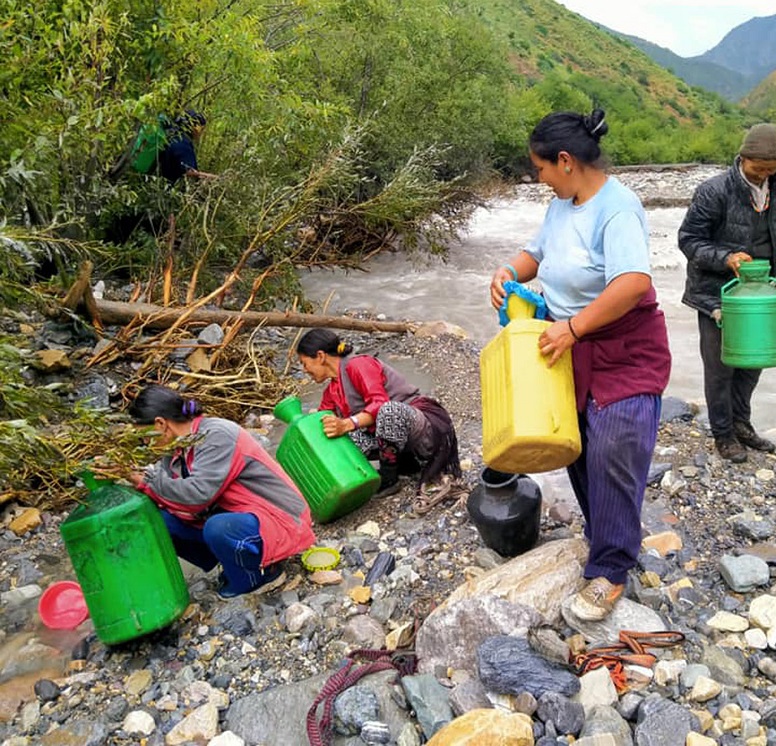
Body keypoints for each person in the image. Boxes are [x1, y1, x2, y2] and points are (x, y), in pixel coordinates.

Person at [489, 108, 671, 622]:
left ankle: (611, 569)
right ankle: (604, 535)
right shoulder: (562, 206)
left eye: (541, 168)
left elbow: (632, 282)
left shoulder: (617, 209)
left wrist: (572, 327)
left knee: (615, 444)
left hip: (622, 345)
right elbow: (536, 255)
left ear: (565, 162)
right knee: (577, 442)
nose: (538, 178)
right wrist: (507, 272)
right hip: (570, 345)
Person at [677, 122, 776, 463]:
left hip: (763, 291)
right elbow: (688, 240)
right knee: (720, 367)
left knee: (753, 362)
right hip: (719, 294)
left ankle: (741, 425)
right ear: (742, 158)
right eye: (757, 168)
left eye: (770, 168)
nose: (763, 174)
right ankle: (723, 434)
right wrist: (726, 257)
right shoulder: (713, 191)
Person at [128, 385, 315, 598]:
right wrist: (145, 485)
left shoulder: (215, 435)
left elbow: (198, 495)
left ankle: (262, 575)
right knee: (160, 520)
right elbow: (172, 495)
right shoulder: (175, 449)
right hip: (241, 517)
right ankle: (230, 562)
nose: (144, 443)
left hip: (280, 517)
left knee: (217, 527)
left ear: (160, 424)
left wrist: (150, 482)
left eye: (143, 436)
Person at [296, 329, 461, 502]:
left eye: (304, 363)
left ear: (320, 356)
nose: (304, 370)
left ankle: (389, 479)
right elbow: (322, 422)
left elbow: (379, 403)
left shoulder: (358, 364)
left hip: (424, 429)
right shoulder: (331, 392)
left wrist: (346, 424)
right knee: (341, 438)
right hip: (399, 442)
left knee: (388, 411)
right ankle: (405, 464)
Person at [158, 110, 216, 183]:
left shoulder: (173, 136)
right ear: (195, 127)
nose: (202, 133)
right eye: (202, 129)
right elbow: (190, 173)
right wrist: (215, 178)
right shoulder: (183, 143)